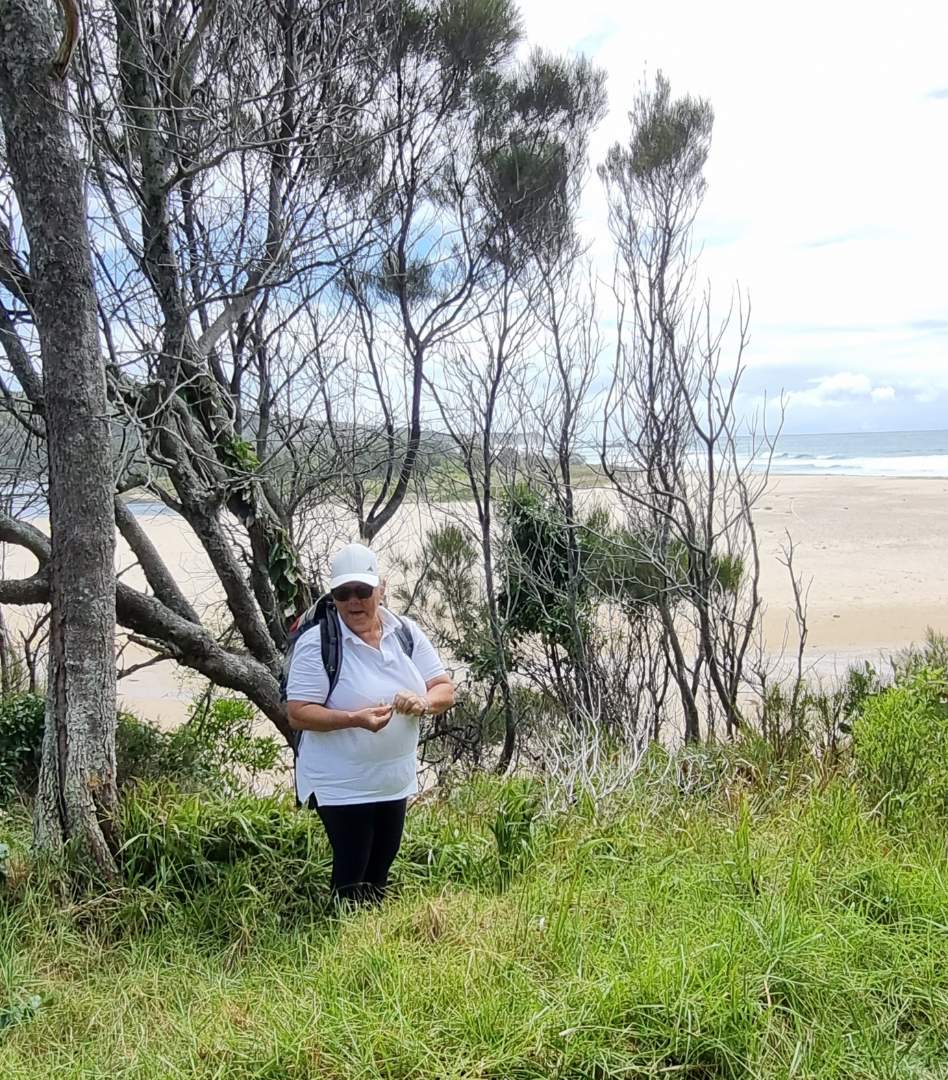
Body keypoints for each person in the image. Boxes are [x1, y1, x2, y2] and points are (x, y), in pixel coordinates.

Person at [285, 542, 454, 904]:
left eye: (362, 590)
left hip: (393, 778)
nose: (353, 601)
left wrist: (423, 703)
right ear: (333, 596)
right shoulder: (319, 643)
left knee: (380, 867)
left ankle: (370, 933)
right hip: (341, 781)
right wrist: (354, 719)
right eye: (343, 593)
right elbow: (298, 712)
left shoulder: (405, 633)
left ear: (381, 589)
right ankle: (340, 933)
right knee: (352, 868)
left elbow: (444, 688)